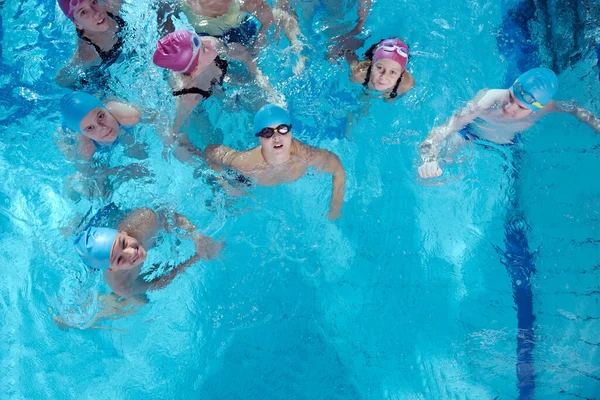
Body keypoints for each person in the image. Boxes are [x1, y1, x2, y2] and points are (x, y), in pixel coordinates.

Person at [418, 67, 600, 179]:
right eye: (511, 96)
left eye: (521, 107)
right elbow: (441, 130)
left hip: (509, 144)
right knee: (440, 172)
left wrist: (596, 124)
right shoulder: (488, 99)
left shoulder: (547, 107)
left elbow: (575, 109)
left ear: (536, 109)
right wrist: (429, 158)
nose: (509, 107)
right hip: (470, 135)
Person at [203, 104, 346, 220]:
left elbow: (338, 169)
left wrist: (335, 208)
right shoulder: (245, 163)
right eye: (267, 133)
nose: (276, 137)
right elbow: (209, 151)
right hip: (245, 178)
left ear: (290, 132)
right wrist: (223, 181)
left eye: (282, 129)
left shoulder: (306, 157)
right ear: (260, 138)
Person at [152, 29, 281, 152]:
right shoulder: (188, 95)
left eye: (200, 39)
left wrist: (261, 78)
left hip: (223, 77)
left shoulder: (210, 44)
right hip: (200, 102)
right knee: (208, 140)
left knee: (264, 103)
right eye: (203, 48)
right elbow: (171, 131)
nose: (207, 42)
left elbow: (245, 56)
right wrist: (184, 149)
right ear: (196, 68)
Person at [74, 206, 223, 298]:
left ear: (122, 233)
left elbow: (171, 216)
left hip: (111, 213)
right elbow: (157, 283)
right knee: (138, 301)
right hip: (100, 267)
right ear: (111, 268)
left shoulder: (145, 220)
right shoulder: (122, 285)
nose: (130, 253)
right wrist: (196, 257)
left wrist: (196, 236)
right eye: (119, 259)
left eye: (123, 243)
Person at [55, 0, 127, 88]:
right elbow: (60, 82)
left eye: (93, 2)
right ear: (77, 24)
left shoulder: (112, 6)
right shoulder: (88, 54)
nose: (96, 13)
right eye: (84, 12)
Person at [58, 91, 142, 160]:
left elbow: (153, 116)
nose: (103, 128)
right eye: (90, 128)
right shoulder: (83, 147)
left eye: (101, 116)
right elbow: (84, 171)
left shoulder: (127, 117)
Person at [345, 38, 415, 101]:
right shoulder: (359, 73)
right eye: (380, 68)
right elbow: (347, 51)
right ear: (372, 65)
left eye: (392, 72)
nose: (383, 77)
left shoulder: (405, 85)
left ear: (401, 74)